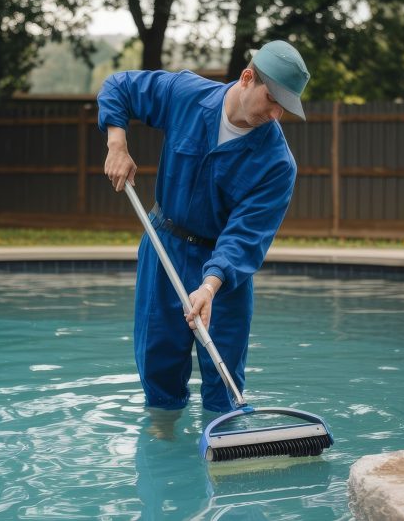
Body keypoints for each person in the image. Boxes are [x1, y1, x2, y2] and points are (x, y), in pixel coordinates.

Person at [98, 40, 310, 418]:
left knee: (224, 379)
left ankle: (224, 441)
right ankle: (162, 445)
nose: (276, 114)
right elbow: (120, 86)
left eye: (285, 107)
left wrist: (210, 285)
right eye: (272, 100)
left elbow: (245, 237)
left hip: (223, 272)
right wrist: (117, 143)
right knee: (158, 363)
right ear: (247, 78)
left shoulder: (277, 164)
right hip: (164, 248)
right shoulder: (187, 96)